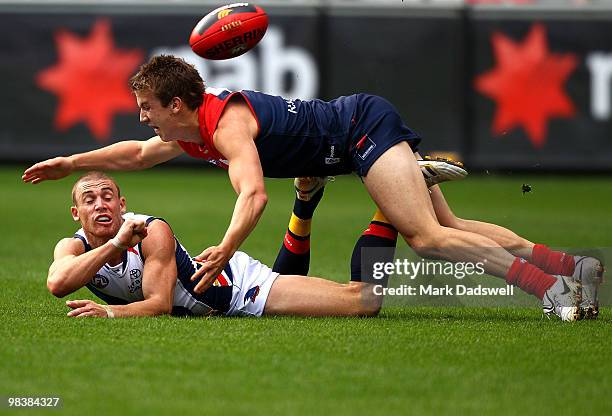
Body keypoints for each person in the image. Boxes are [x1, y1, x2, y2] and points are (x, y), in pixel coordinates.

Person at [25, 55, 602, 321]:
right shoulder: (191, 130)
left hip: (359, 131)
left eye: (147, 108)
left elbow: (253, 195)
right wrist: (72, 161)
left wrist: (226, 249)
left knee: (425, 239)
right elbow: (138, 155)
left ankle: (549, 290)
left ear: (175, 105)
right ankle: (574, 267)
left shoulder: (226, 127)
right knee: (448, 228)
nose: (143, 118)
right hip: (354, 139)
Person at [51, 171, 389, 318]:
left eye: (107, 197)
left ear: (122, 205)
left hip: (242, 288)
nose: (100, 205)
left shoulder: (151, 231)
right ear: (75, 212)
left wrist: (108, 312)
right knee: (289, 283)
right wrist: (113, 247)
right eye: (90, 199)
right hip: (221, 303)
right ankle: (304, 202)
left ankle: (389, 203)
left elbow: (158, 306)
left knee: (364, 301)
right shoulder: (71, 247)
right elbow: (58, 284)